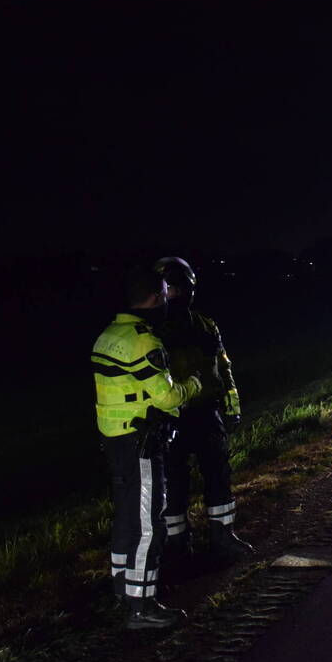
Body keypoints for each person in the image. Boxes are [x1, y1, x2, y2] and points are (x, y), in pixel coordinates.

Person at [92, 264, 202, 629]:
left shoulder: (108, 334)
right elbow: (168, 397)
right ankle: (141, 607)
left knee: (126, 518)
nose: (169, 298)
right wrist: (195, 386)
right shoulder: (143, 340)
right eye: (166, 292)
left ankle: (122, 590)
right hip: (141, 441)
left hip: (115, 439)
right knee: (147, 523)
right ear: (155, 297)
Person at [153, 257, 254, 572]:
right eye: (170, 287)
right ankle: (176, 546)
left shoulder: (206, 324)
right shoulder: (150, 331)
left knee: (218, 476)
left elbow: (223, 368)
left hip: (208, 412)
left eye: (180, 286)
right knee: (174, 484)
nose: (175, 292)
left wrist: (232, 407)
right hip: (170, 415)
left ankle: (223, 537)